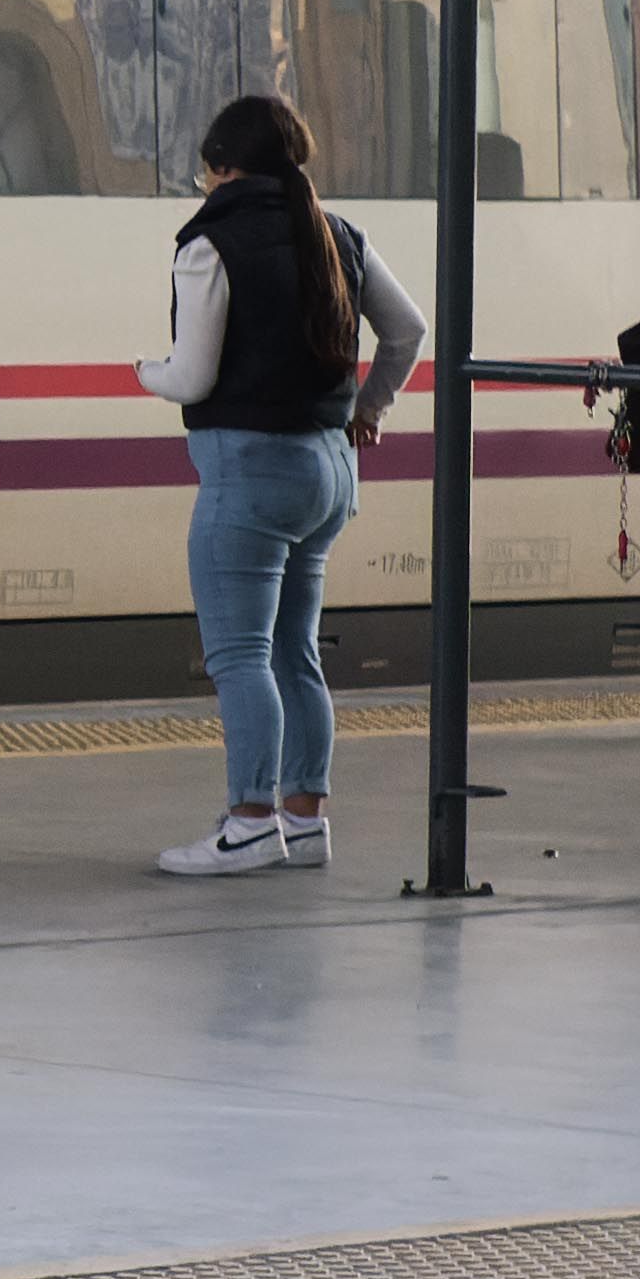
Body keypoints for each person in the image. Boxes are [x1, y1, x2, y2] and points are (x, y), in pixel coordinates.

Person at [137, 96, 424, 877]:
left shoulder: (209, 243)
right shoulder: (338, 234)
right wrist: (371, 406)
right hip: (329, 471)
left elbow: (192, 373)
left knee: (239, 657)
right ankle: (304, 819)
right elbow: (407, 330)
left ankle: (250, 820)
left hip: (250, 474)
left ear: (223, 167)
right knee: (296, 650)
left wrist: (146, 374)